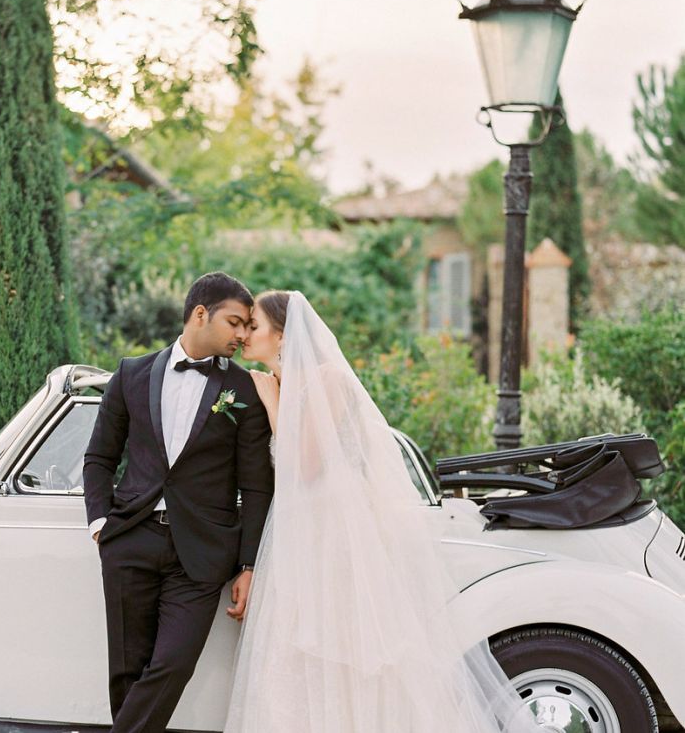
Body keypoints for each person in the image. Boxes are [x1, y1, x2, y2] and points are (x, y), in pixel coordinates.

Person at [224, 289, 540, 733]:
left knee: (347, 645)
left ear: (282, 334)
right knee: (296, 649)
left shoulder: (325, 378)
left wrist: (271, 399)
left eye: (254, 326)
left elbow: (308, 464)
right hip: (301, 528)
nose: (244, 336)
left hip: (336, 526)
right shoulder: (281, 382)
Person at [83, 272, 274, 733]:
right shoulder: (131, 373)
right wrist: (100, 525)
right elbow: (99, 457)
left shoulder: (245, 388)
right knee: (126, 672)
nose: (243, 335)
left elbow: (257, 485)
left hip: (203, 553)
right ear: (200, 314)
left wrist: (248, 563)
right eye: (236, 322)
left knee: (172, 665)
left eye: (249, 326)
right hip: (130, 539)